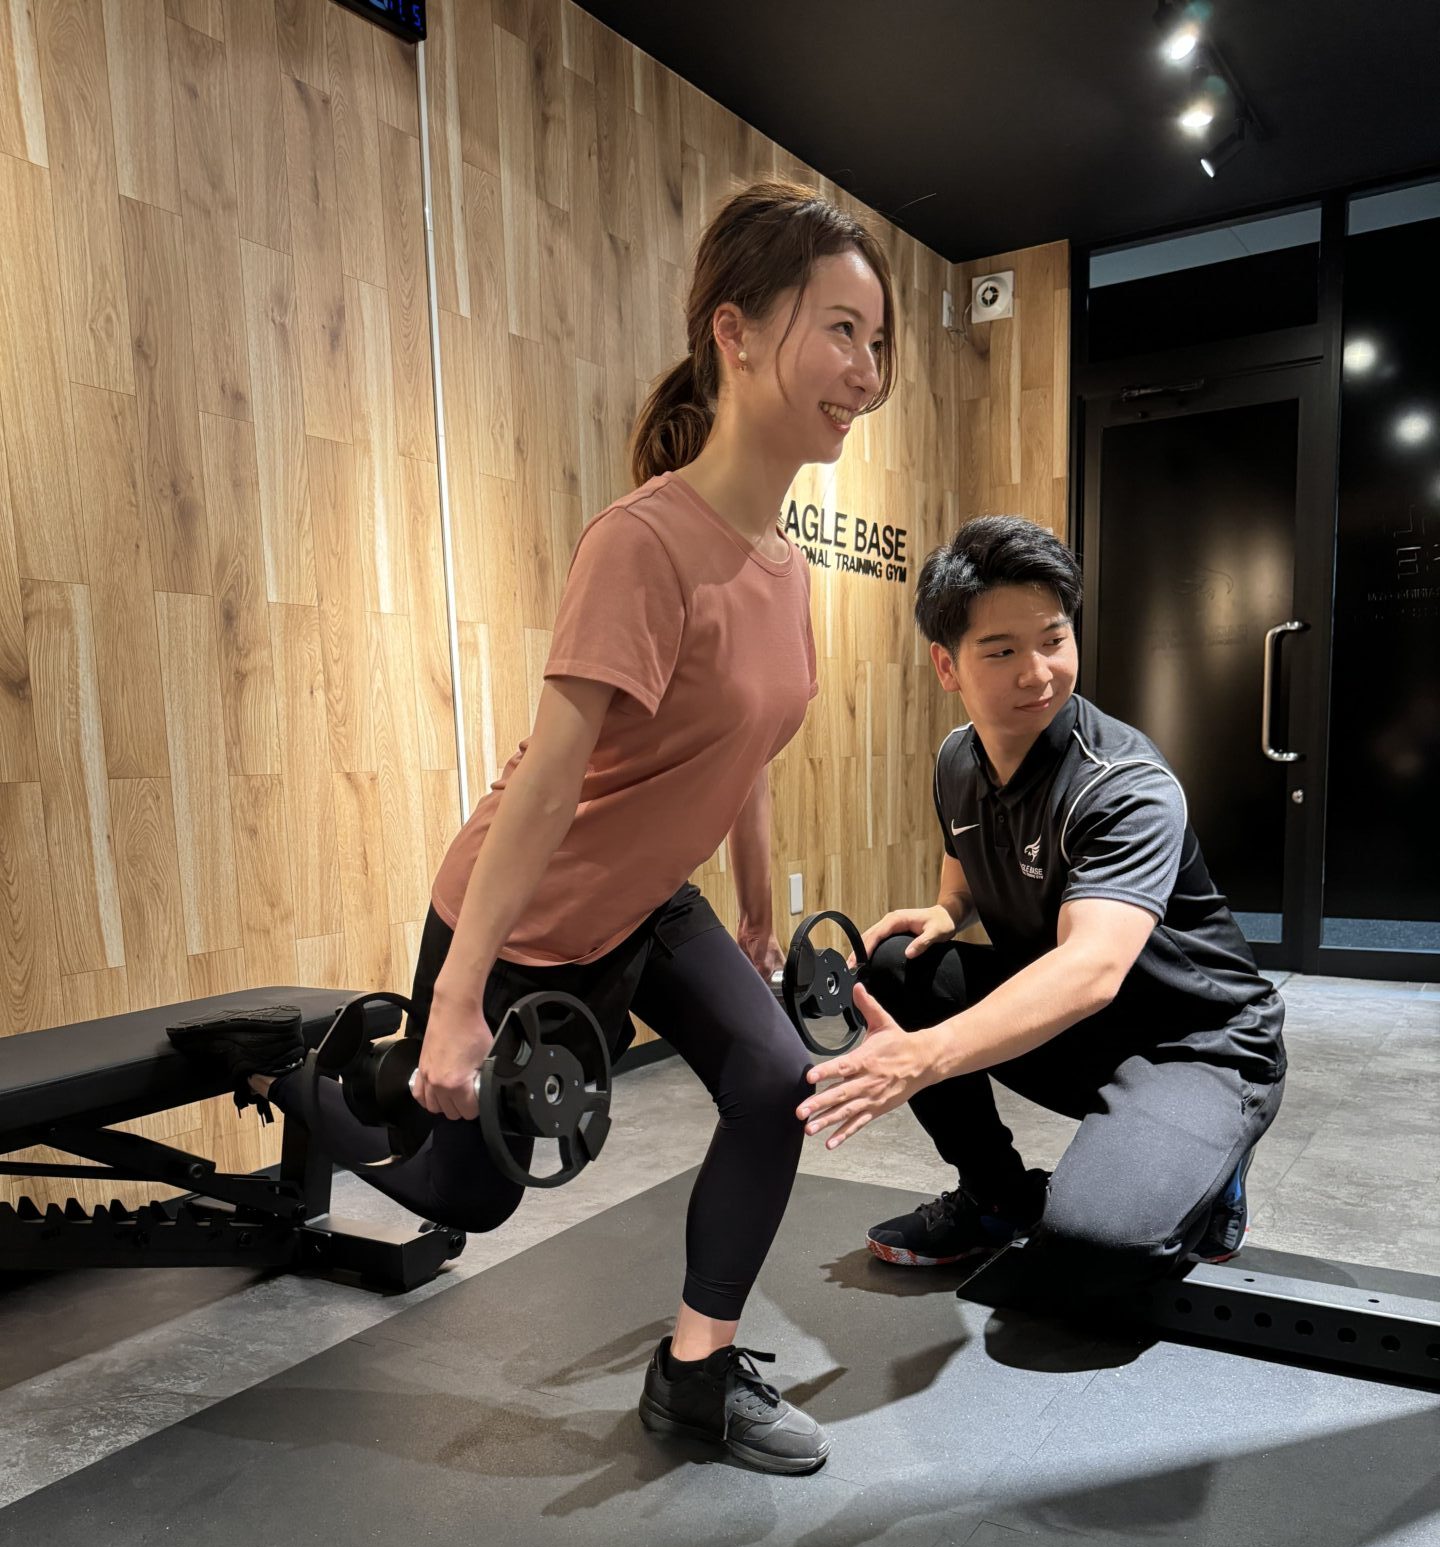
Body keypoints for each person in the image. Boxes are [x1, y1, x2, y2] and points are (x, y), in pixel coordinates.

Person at [168, 180, 897, 1475]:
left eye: (876, 341)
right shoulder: (643, 542)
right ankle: (300, 1075)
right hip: (526, 913)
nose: (867, 371)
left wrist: (759, 906)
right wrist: (457, 1003)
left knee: (774, 1081)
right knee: (466, 1196)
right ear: (736, 334)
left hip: (647, 904)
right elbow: (551, 785)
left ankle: (697, 1376)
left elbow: (746, 749)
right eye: (842, 330)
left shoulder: (785, 566)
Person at [795, 515, 1287, 1310]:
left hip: (1196, 1042)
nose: (1038, 673)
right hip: (1080, 1030)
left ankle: (1212, 1154)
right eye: (1001, 652)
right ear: (947, 665)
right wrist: (948, 910)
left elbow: (1090, 969)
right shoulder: (958, 759)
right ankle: (996, 1197)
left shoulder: (1123, 785)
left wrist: (926, 1056)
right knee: (896, 965)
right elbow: (965, 852)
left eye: (1054, 640)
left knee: (1094, 1251)